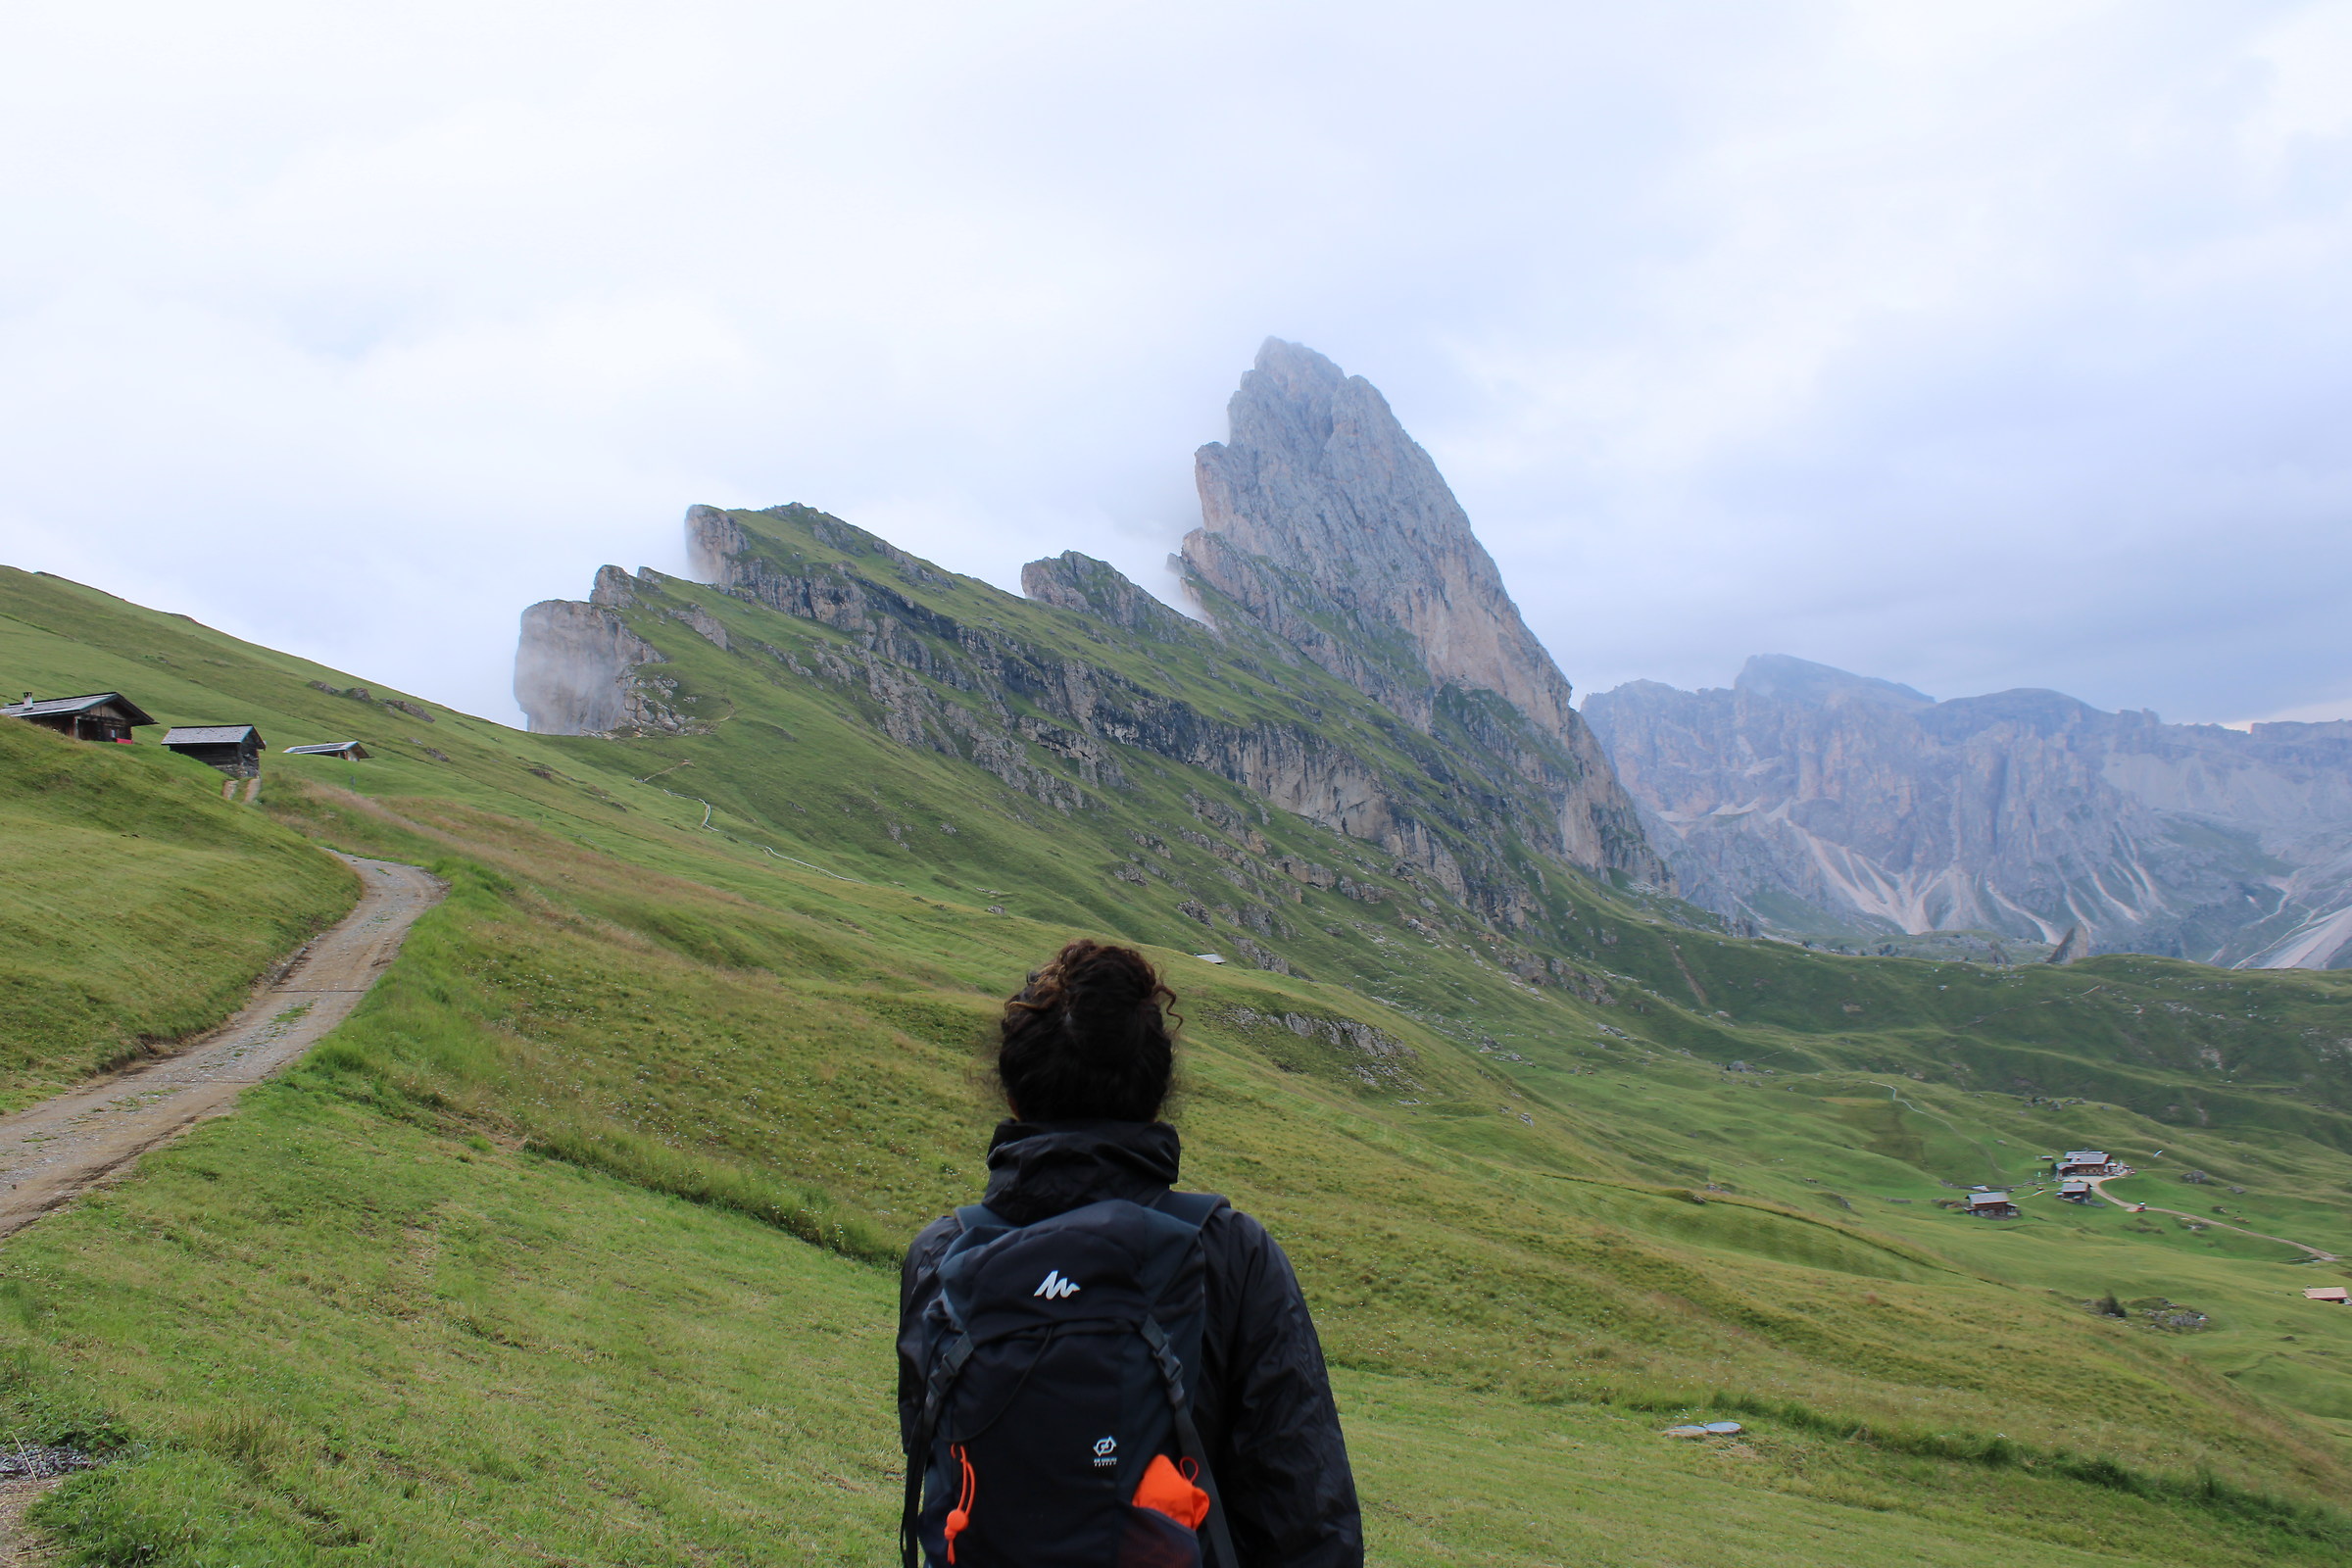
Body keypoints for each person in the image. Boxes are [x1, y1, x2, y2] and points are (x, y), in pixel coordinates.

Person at [898, 939, 1363, 1566]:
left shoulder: (943, 1255)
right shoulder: (1228, 1251)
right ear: (1154, 1098)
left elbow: (943, 1461)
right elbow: (1303, 1510)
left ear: (1013, 1098)